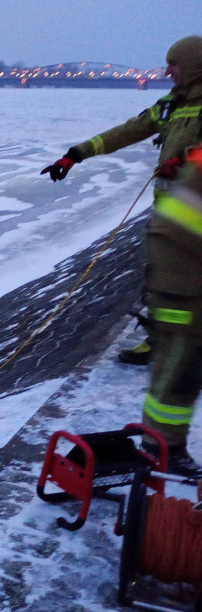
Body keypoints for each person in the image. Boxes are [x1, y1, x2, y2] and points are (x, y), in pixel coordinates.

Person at [42, 35, 202, 365]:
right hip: (171, 213)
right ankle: (161, 340)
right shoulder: (172, 104)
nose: (168, 70)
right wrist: (76, 155)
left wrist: (190, 158)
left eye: (175, 64)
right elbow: (130, 130)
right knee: (163, 279)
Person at [140, 145, 202, 480]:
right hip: (183, 284)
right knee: (182, 367)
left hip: (178, 277)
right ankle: (162, 449)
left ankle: (159, 444)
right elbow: (184, 223)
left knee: (175, 367)